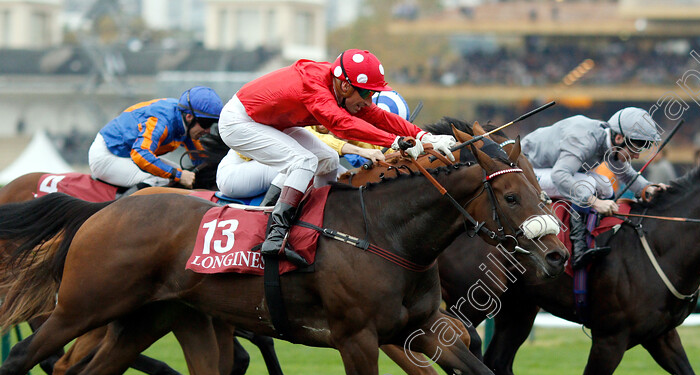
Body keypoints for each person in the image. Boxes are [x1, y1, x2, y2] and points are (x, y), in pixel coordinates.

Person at [216, 49, 456, 261]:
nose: (369, 101)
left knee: (328, 158)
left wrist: (424, 136)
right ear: (345, 86)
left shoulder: (338, 84)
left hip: (271, 121)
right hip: (239, 122)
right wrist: (395, 141)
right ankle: (274, 236)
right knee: (304, 161)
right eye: (366, 95)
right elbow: (343, 125)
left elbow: (377, 117)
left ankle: (319, 224)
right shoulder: (316, 88)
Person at [522, 107, 665, 268]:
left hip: (551, 169)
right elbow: (560, 176)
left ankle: (596, 234)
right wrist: (595, 202)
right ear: (619, 138)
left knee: (605, 185)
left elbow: (627, 174)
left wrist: (648, 188)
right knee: (588, 185)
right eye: (635, 148)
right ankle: (579, 248)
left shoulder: (608, 140)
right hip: (525, 171)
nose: (637, 155)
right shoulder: (584, 140)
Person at [89, 86, 223, 190]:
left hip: (128, 154)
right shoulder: (161, 121)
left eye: (211, 124)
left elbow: (200, 160)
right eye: (205, 124)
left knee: (180, 174)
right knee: (160, 179)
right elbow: (140, 154)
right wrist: (178, 175)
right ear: (189, 117)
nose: (208, 130)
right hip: (107, 155)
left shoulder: (186, 122)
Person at [303, 90, 412, 169]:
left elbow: (381, 148)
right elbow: (315, 139)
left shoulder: (353, 132)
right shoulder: (306, 123)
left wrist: (405, 150)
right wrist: (360, 151)